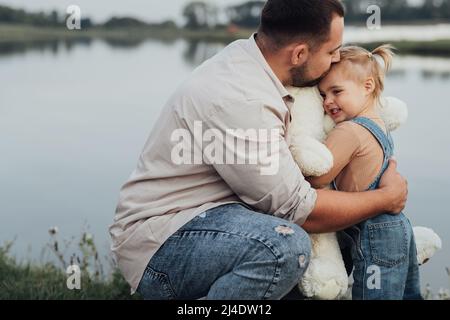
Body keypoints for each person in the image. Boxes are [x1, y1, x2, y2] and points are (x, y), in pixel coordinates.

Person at [110, 0, 408, 300]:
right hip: (166, 240)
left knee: (348, 232)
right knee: (283, 247)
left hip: (224, 219)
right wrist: (385, 198)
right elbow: (301, 212)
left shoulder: (260, 64)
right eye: (332, 52)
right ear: (299, 54)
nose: (335, 61)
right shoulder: (241, 98)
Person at [307, 44, 422, 299]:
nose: (328, 102)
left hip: (374, 229)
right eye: (323, 95)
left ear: (367, 86)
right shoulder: (380, 124)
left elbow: (319, 175)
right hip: (398, 225)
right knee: (408, 294)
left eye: (336, 91)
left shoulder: (349, 131)